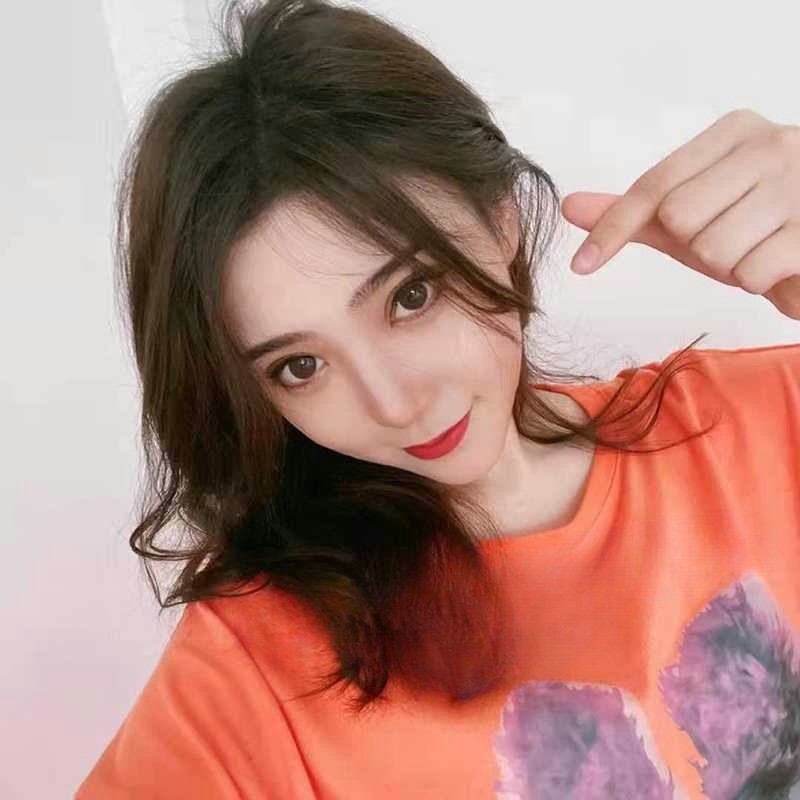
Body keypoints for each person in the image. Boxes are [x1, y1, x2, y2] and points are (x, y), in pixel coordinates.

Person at [75, 0, 800, 797]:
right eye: (299, 366)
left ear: (500, 220)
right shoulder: (254, 671)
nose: (395, 404)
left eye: (410, 296)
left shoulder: (768, 424)